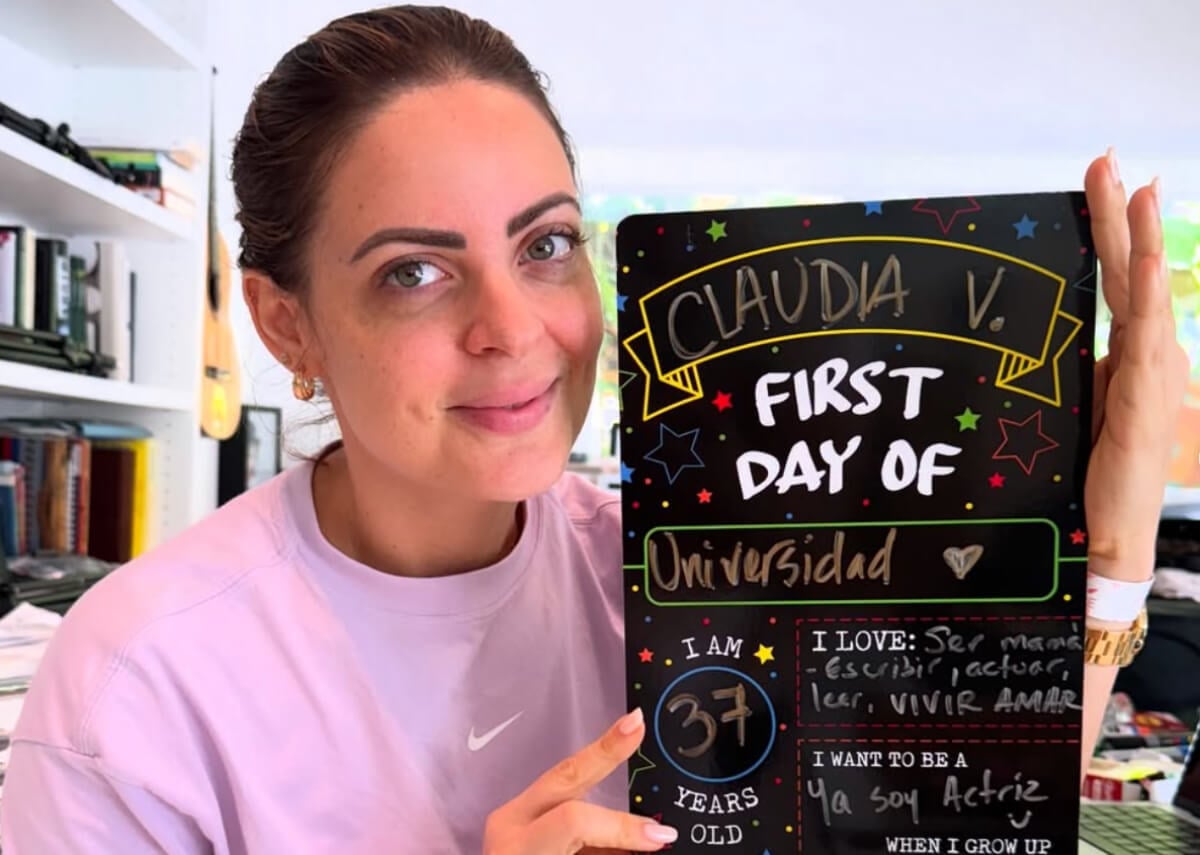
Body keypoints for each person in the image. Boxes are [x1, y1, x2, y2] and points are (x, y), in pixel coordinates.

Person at [0, 5, 1188, 854]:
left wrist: (1118, 538)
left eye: (546, 244)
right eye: (414, 271)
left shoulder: (684, 573)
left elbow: (940, 811)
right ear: (284, 320)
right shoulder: (138, 685)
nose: (514, 330)